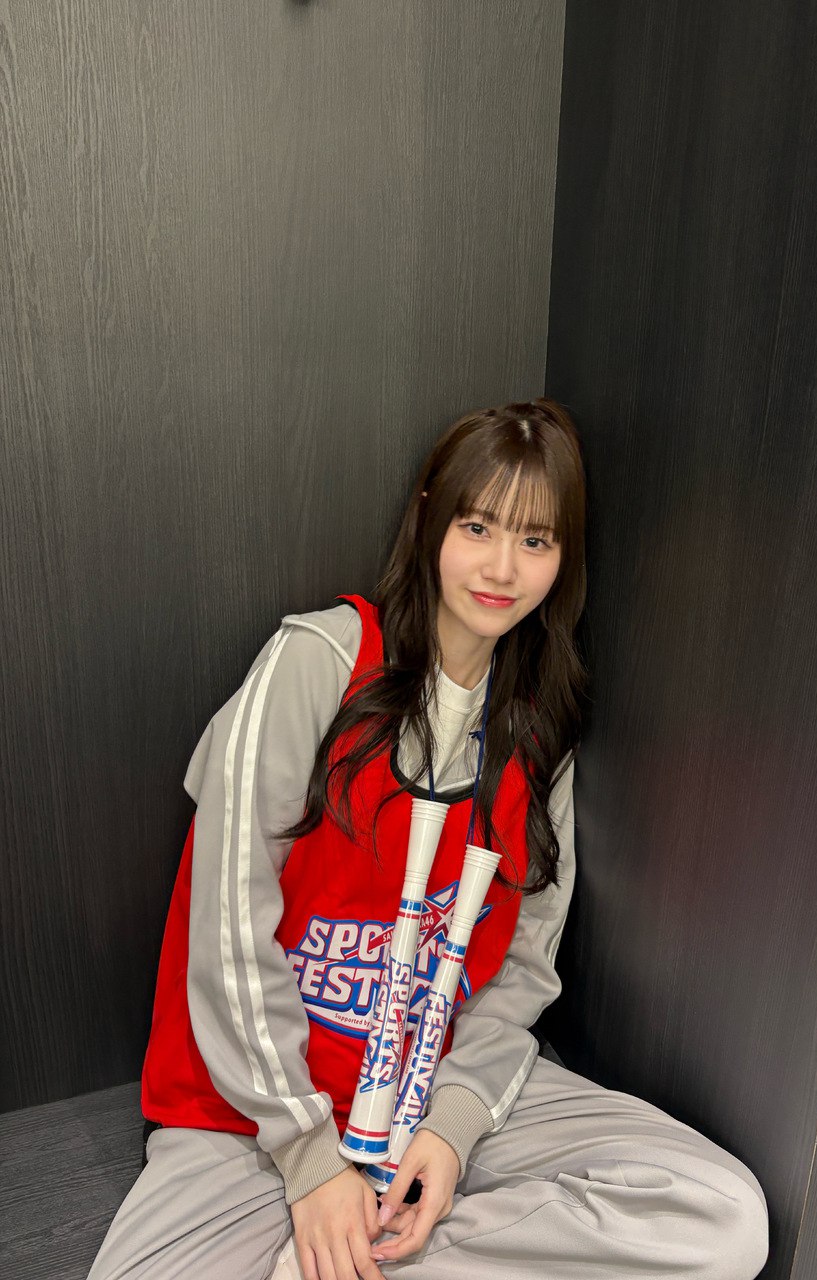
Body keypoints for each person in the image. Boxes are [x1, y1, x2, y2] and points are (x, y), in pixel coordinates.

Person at [88, 398, 769, 1280]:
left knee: (720, 1217)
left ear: (564, 559)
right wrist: (309, 1157)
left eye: (536, 539)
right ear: (429, 519)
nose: (502, 568)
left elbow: (524, 969)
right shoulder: (317, 662)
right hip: (253, 1115)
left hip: (432, 1089)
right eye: (477, 526)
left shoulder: (539, 739)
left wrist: (452, 1129)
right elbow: (224, 930)